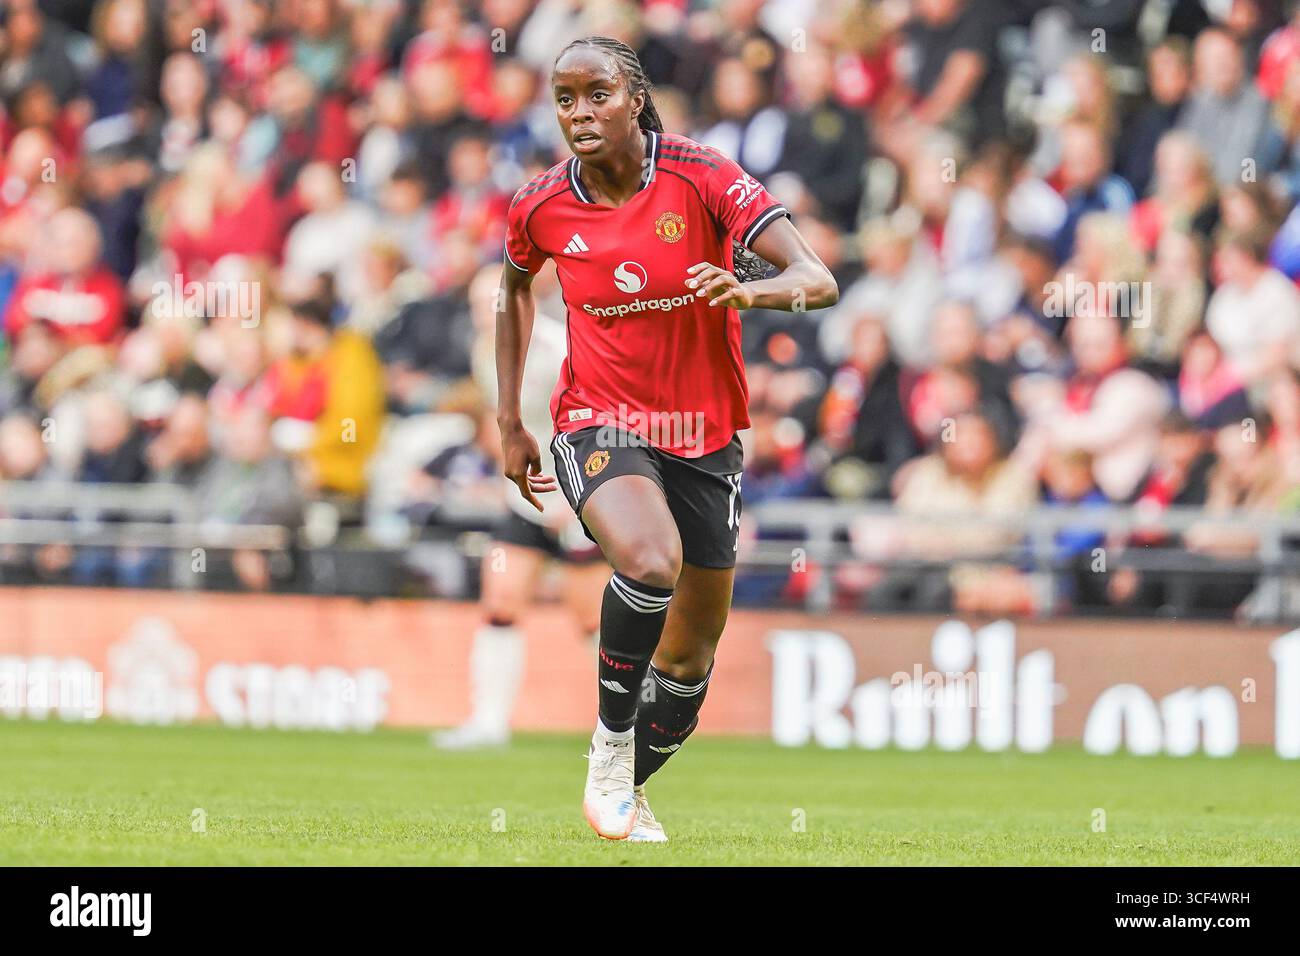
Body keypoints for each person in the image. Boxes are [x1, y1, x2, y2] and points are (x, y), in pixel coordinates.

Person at [497, 37, 837, 842]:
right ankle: (610, 748)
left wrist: (750, 297)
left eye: (598, 95)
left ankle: (630, 770)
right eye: (566, 99)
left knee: (686, 672)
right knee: (649, 561)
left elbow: (816, 280)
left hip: (703, 435)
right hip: (597, 420)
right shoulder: (540, 203)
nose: (581, 113)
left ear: (636, 98)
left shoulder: (704, 174)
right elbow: (512, 288)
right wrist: (511, 419)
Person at [433, 265, 608, 750]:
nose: (481, 314)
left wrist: (578, 495)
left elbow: (594, 422)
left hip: (578, 497)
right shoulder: (482, 352)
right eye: (474, 304)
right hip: (528, 498)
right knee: (500, 602)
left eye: (489, 302)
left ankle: (628, 723)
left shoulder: (558, 351)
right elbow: (502, 423)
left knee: (592, 621)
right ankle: (488, 722)